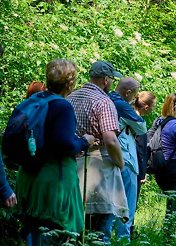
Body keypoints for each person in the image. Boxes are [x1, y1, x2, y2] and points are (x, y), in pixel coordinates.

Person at [15, 59, 95, 245]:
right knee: (54, 235)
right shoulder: (62, 106)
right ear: (70, 82)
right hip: (53, 183)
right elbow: (64, 145)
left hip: (28, 176)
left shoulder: (34, 100)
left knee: (33, 233)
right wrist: (84, 141)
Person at [67, 60, 128, 243]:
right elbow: (110, 139)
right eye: (111, 79)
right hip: (99, 169)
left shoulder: (70, 98)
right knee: (100, 232)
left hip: (72, 168)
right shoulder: (104, 101)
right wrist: (120, 162)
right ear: (105, 80)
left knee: (76, 232)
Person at [148, 93, 176, 235]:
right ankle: (168, 235)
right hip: (175, 168)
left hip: (160, 168)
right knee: (175, 204)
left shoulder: (158, 121)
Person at [108, 77, 144, 241]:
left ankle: (105, 238)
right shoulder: (121, 105)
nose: (134, 99)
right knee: (127, 204)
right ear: (128, 92)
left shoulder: (105, 99)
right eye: (134, 95)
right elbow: (142, 127)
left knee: (108, 204)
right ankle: (123, 239)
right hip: (125, 159)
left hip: (107, 158)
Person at [131, 91, 156, 237]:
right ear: (146, 107)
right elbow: (140, 150)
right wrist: (142, 172)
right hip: (134, 167)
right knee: (131, 201)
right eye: (152, 106)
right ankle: (129, 232)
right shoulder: (139, 122)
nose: (153, 109)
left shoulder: (127, 115)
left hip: (124, 164)